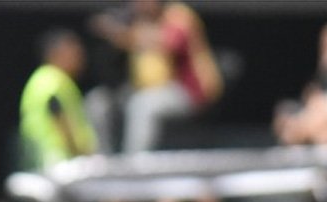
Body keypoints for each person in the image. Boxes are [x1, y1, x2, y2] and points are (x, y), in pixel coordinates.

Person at [90, 0, 221, 153]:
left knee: (143, 104)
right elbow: (101, 25)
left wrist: (120, 33)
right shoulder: (135, 18)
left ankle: (135, 163)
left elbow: (168, 43)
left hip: (186, 90)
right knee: (97, 102)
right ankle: (102, 160)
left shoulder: (178, 14)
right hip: (141, 88)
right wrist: (111, 28)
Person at [19, 29, 97, 171]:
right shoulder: (53, 80)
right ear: (57, 53)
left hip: (43, 159)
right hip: (57, 161)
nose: (81, 58)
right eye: (75, 53)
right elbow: (60, 118)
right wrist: (81, 153)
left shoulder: (42, 78)